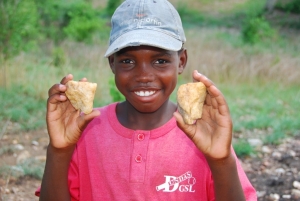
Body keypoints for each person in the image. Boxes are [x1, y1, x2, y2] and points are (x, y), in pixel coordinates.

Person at [36, 0, 257, 200]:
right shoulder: (85, 130)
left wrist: (221, 161)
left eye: (160, 61)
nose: (143, 75)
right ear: (112, 63)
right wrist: (59, 151)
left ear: (181, 61)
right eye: (128, 61)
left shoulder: (203, 134)